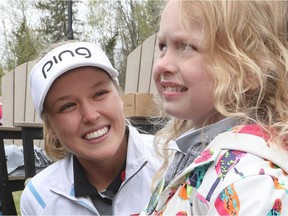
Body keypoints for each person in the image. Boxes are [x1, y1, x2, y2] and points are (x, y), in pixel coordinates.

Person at [142, 0, 288, 215]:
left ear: (248, 70)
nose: (162, 64)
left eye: (186, 47)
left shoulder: (250, 183)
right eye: (163, 46)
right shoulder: (192, 152)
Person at [20, 41, 163, 215]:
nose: (90, 115)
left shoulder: (172, 162)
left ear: (119, 98)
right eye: (67, 106)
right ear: (50, 127)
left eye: (100, 93)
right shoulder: (38, 199)